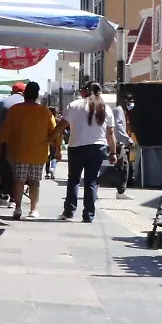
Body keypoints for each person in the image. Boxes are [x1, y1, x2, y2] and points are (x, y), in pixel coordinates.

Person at [52, 81, 117, 223]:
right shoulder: (105, 108)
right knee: (91, 181)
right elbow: (110, 133)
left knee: (74, 179)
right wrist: (113, 152)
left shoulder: (75, 105)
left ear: (85, 91)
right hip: (98, 148)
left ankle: (69, 212)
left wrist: (49, 138)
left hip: (77, 147)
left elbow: (61, 125)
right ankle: (88, 215)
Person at [0, 82, 55, 220]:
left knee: (19, 180)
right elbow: (54, 131)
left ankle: (17, 208)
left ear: (24, 94)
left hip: (19, 151)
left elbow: (5, 131)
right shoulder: (45, 111)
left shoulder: (15, 110)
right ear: (37, 95)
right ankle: (33, 209)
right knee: (35, 182)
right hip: (39, 152)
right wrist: (57, 147)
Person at [0, 82, 27, 200]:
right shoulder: (26, 103)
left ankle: (4, 192)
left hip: (5, 140)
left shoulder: (3, 102)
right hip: (22, 142)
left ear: (12, 91)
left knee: (4, 167)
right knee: (19, 169)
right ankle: (15, 196)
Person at [112, 98, 133, 199]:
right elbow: (118, 126)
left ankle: (121, 191)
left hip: (118, 143)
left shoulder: (121, 111)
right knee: (120, 166)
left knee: (123, 166)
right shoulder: (118, 110)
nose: (131, 104)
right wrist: (127, 140)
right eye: (130, 101)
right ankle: (120, 192)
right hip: (117, 143)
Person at [46, 106, 62, 180]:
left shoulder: (46, 120)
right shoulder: (58, 120)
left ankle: (47, 173)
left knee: (48, 157)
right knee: (55, 157)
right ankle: (52, 168)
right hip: (56, 140)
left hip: (48, 141)